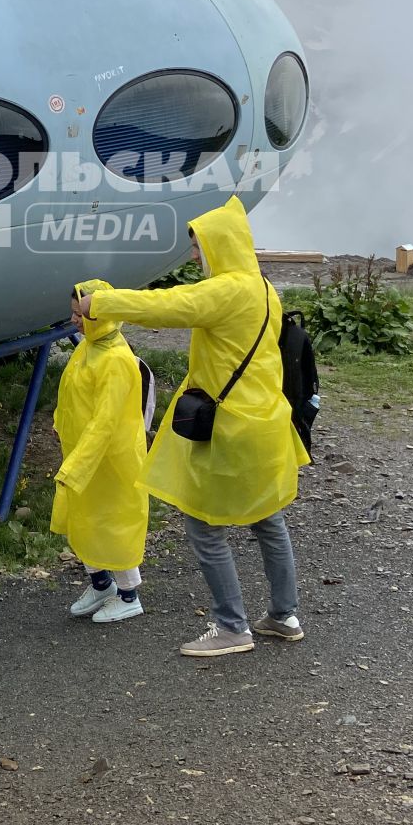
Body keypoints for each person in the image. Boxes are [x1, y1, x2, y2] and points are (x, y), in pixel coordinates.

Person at [73, 195, 309, 656]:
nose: (196, 256)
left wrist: (98, 302)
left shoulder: (225, 292)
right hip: (268, 422)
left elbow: (166, 306)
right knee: (266, 517)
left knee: (204, 526)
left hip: (231, 426)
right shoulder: (264, 289)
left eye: (200, 246)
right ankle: (284, 616)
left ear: (221, 244)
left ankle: (231, 628)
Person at [51, 279, 151, 623]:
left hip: (111, 459)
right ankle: (100, 584)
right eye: (74, 314)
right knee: (85, 521)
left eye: (81, 314)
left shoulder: (115, 359)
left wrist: (75, 466)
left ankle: (128, 595)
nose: (76, 320)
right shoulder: (91, 346)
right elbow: (72, 393)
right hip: (84, 453)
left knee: (115, 523)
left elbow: (106, 422)